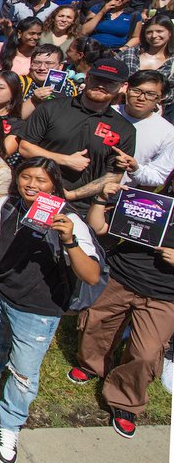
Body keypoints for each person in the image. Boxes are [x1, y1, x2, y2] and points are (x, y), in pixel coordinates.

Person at [0, 157, 102, 463]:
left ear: (54, 185)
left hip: (39, 310)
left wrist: (69, 240)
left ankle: (9, 424)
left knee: (23, 372)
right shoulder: (7, 205)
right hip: (0, 292)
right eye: (26, 177)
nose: (31, 185)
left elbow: (91, 275)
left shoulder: (69, 219)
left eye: (41, 180)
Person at [77, 181, 174, 438]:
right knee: (97, 323)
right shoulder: (146, 202)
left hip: (165, 296)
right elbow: (98, 227)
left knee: (146, 352)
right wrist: (100, 198)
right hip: (121, 275)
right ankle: (92, 365)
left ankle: (124, 400)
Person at [18, 58, 137, 217]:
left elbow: (114, 175)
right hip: (34, 195)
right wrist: (65, 160)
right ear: (87, 78)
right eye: (97, 79)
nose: (101, 85)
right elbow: (25, 147)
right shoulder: (51, 108)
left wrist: (72, 195)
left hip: (80, 208)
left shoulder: (125, 129)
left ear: (123, 87)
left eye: (110, 82)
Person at [112, 70, 174, 188]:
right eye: (136, 91)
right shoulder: (107, 112)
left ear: (161, 97)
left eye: (150, 94)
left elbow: (159, 176)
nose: (141, 98)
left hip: (118, 197)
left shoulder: (168, 133)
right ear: (127, 89)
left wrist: (136, 169)